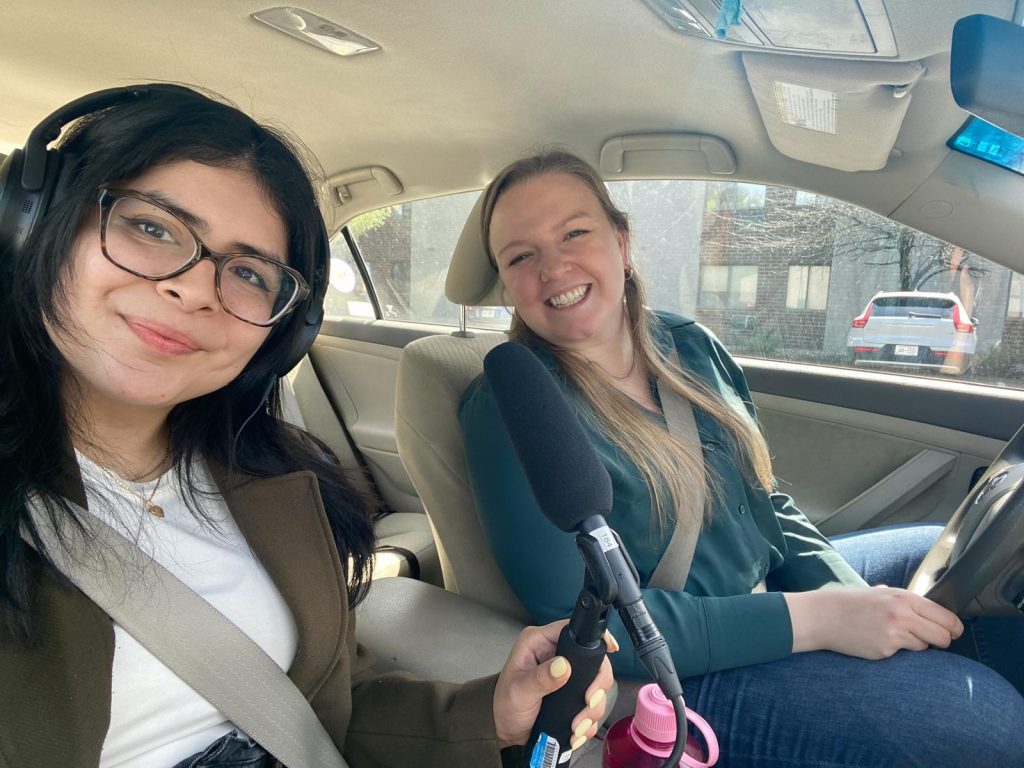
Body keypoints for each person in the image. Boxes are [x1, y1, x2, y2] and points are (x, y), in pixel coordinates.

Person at [0, 88, 612, 768]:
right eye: (152, 228)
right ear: (35, 222)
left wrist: (489, 713)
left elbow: (323, 715)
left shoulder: (281, 484)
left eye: (247, 272)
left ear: (284, 330)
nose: (197, 289)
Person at [459, 149, 1024, 767]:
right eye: (521, 256)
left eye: (575, 232)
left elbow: (767, 500)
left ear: (621, 241)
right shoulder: (511, 409)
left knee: (976, 569)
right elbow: (586, 620)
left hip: (766, 594)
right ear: (506, 284)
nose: (554, 266)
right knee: (976, 723)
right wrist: (822, 622)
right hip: (668, 669)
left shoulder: (689, 346)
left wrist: (856, 604)